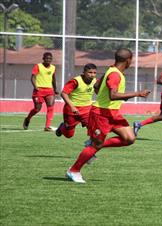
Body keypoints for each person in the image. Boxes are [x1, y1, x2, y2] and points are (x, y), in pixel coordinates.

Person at [66, 48, 150, 183]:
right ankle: (74, 170)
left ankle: (93, 144)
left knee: (129, 138)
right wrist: (137, 94)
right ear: (128, 60)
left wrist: (111, 95)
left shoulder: (111, 70)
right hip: (101, 114)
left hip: (113, 113)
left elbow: (97, 86)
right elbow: (113, 95)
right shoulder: (115, 74)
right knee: (95, 146)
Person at [55, 63, 97, 138]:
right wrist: (72, 107)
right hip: (72, 110)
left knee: (93, 128)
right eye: (90, 72)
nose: (92, 75)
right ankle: (62, 127)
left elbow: (97, 91)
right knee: (69, 135)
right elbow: (64, 93)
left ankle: (92, 144)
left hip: (87, 109)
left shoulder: (95, 81)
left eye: (94, 73)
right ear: (84, 72)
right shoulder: (75, 81)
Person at [23, 52, 58, 131]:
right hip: (39, 90)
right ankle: (27, 119)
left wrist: (55, 89)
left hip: (49, 90)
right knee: (37, 109)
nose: (48, 60)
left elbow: (53, 79)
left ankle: (47, 126)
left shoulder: (53, 67)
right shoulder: (38, 66)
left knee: (50, 107)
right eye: (47, 58)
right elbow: (33, 77)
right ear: (43, 59)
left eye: (50, 59)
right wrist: (35, 87)